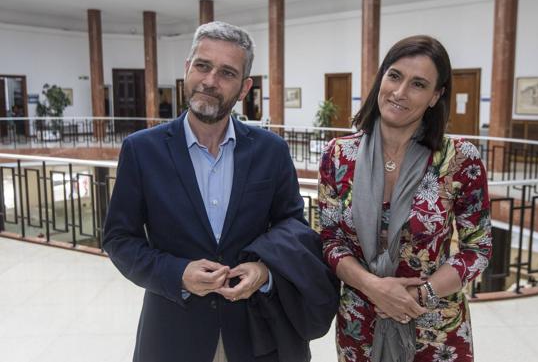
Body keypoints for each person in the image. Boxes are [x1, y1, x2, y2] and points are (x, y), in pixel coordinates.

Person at [103, 21, 338, 362]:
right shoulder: (142, 151)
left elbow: (293, 226)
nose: (210, 81)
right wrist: (177, 273)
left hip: (257, 332)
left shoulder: (271, 150)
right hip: (173, 335)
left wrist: (265, 271)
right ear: (187, 69)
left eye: (226, 73)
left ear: (244, 88)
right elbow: (119, 239)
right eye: (202, 66)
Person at [318, 35, 492, 362]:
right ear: (381, 77)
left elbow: (477, 248)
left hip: (436, 324)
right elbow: (330, 239)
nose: (399, 92)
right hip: (360, 323)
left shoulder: (460, 159)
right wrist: (373, 287)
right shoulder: (338, 155)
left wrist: (418, 294)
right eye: (394, 76)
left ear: (435, 96)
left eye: (418, 84)